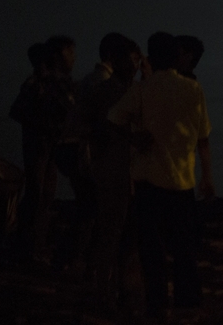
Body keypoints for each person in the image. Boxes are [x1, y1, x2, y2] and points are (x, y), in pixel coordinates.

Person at [108, 32, 214, 318]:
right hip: (181, 180)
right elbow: (203, 137)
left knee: (151, 249)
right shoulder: (193, 89)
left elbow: (113, 120)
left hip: (148, 181)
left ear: (150, 58)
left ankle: (158, 303)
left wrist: (134, 137)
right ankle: (187, 302)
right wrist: (208, 176)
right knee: (184, 248)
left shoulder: (143, 90)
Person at [87, 34, 142, 311]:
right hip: (115, 171)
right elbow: (105, 130)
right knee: (113, 234)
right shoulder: (113, 92)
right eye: (131, 60)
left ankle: (115, 290)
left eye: (137, 60)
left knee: (119, 234)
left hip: (121, 171)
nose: (135, 65)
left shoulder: (118, 91)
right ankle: (105, 292)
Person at [12, 35, 76, 264]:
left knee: (46, 195)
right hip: (40, 145)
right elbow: (18, 110)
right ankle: (26, 246)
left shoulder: (62, 83)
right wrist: (42, 125)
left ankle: (34, 246)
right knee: (37, 194)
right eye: (70, 52)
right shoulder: (39, 82)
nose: (74, 58)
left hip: (52, 146)